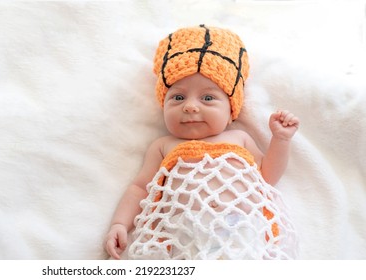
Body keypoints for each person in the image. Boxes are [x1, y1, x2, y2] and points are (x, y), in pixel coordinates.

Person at [104, 25, 299, 260]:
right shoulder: (164, 146)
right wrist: (120, 223)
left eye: (208, 97)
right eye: (178, 97)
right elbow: (140, 188)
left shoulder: (239, 139)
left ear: (231, 112)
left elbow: (267, 176)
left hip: (243, 227)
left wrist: (281, 139)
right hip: (186, 233)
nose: (190, 106)